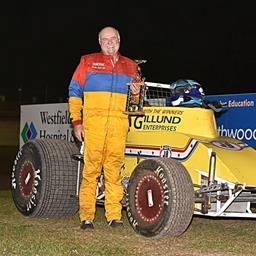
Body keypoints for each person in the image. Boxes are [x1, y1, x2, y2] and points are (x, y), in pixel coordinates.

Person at [68, 26, 141, 229]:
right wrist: (76, 122)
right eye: (106, 39)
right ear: (100, 42)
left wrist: (136, 92)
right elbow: (74, 91)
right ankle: (87, 217)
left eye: (114, 39)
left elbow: (135, 100)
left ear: (119, 40)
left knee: (114, 173)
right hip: (93, 127)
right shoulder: (87, 61)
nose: (110, 42)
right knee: (90, 172)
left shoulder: (131, 66)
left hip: (118, 128)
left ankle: (114, 216)